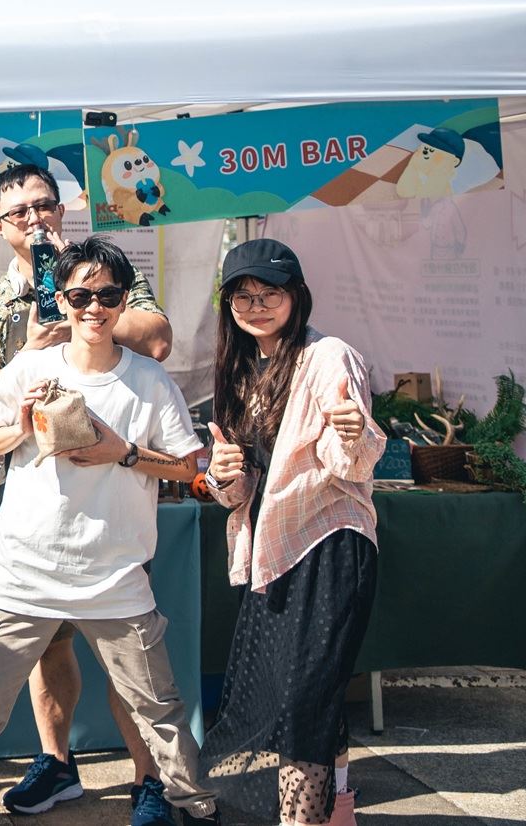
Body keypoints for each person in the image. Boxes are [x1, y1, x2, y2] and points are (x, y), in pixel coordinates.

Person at [0, 236, 219, 826]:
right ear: (60, 300)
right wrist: (21, 422)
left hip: (115, 577)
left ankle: (191, 803)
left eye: (107, 296)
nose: (94, 308)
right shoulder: (31, 367)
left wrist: (124, 452)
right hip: (22, 574)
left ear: (123, 301)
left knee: (158, 710)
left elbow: (189, 467)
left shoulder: (149, 380)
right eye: (81, 296)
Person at [0, 162, 172, 816]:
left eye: (45, 204)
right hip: (35, 501)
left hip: (113, 499)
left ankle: (149, 779)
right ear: (0, 227)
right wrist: (30, 353)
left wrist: (83, 308)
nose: (35, 218)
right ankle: (57, 765)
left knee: (124, 654)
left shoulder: (106, 276)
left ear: (63, 208)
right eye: (19, 211)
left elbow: (158, 338)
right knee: (46, 647)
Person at [198, 240, 384, 826]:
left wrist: (352, 432)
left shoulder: (329, 357)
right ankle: (340, 810)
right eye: (243, 297)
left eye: (269, 293)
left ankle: (300, 819)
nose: (256, 306)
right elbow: (238, 488)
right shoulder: (238, 370)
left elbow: (350, 466)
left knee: (302, 698)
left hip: (328, 544)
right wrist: (222, 472)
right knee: (305, 692)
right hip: (272, 549)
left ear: (297, 296)